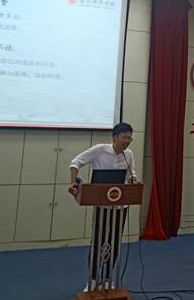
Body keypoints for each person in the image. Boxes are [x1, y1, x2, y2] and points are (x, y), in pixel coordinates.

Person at [69, 122, 139, 288]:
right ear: (115, 137)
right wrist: (73, 182)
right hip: (102, 206)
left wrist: (132, 179)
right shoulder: (100, 150)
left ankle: (107, 279)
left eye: (130, 139)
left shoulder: (128, 154)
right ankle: (93, 279)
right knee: (98, 242)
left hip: (120, 207)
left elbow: (131, 173)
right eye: (124, 138)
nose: (127, 142)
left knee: (114, 243)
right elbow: (75, 163)